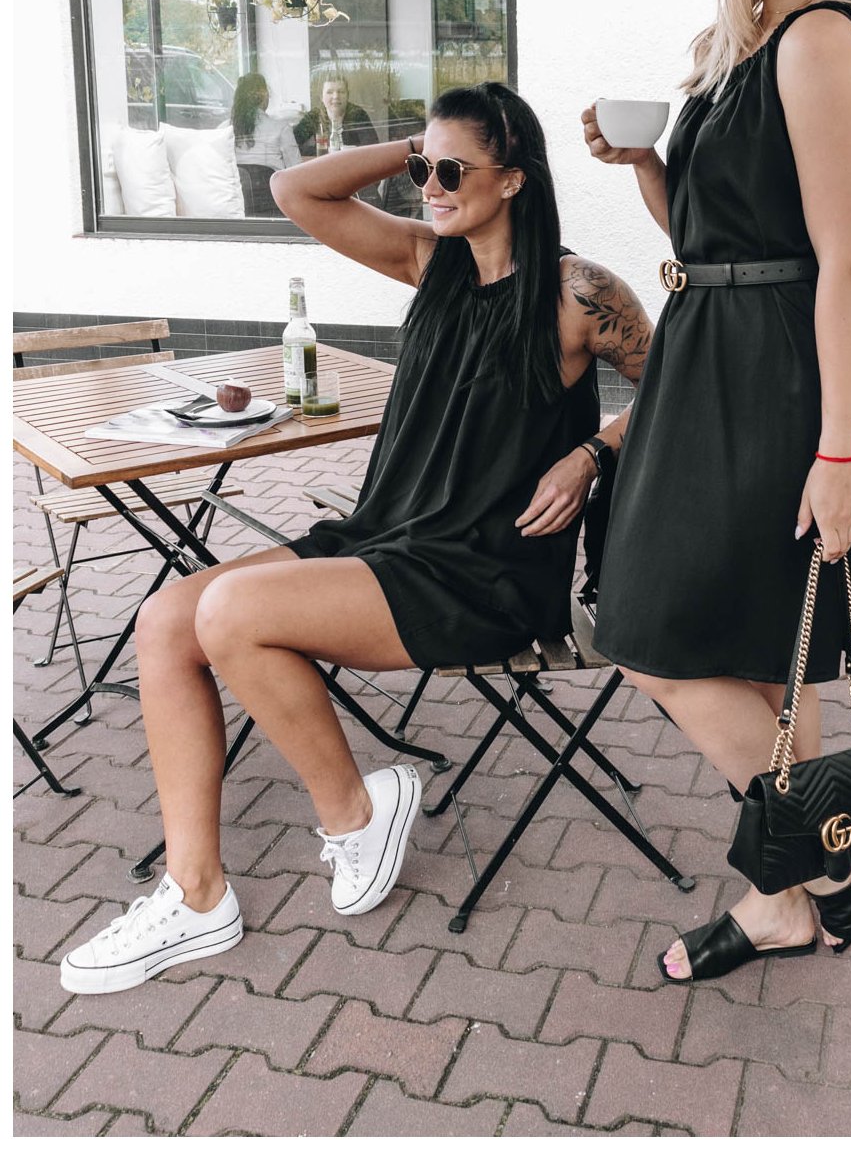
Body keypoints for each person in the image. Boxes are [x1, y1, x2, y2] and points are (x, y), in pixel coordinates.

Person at [60, 80, 652, 996]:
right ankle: (196, 892)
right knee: (166, 620)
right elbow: (295, 189)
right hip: (385, 538)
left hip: (485, 571)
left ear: (514, 180)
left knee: (231, 613)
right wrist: (415, 147)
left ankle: (355, 815)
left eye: (453, 171)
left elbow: (676, 384)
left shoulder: (580, 293)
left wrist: (590, 454)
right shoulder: (429, 260)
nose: (431, 188)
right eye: (424, 170)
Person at [582, 0, 851, 984]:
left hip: (772, 374)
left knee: (644, 633)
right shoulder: (746, 41)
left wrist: (838, 454)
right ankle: (794, 885)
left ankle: (815, 862)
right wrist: (646, 164)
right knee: (775, 653)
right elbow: (709, 234)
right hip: (713, 349)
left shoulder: (820, 40)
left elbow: (843, 261)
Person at [293, 70, 382, 207]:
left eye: (341, 92)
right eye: (330, 92)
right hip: (323, 179)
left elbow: (372, 150)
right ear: (321, 96)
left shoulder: (358, 115)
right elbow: (293, 144)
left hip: (354, 181)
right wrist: (318, 153)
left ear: (347, 95)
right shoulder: (314, 116)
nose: (336, 96)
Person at [229, 72, 302, 172]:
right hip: (271, 182)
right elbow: (297, 170)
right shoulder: (281, 129)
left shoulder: (225, 129)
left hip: (237, 182)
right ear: (264, 94)